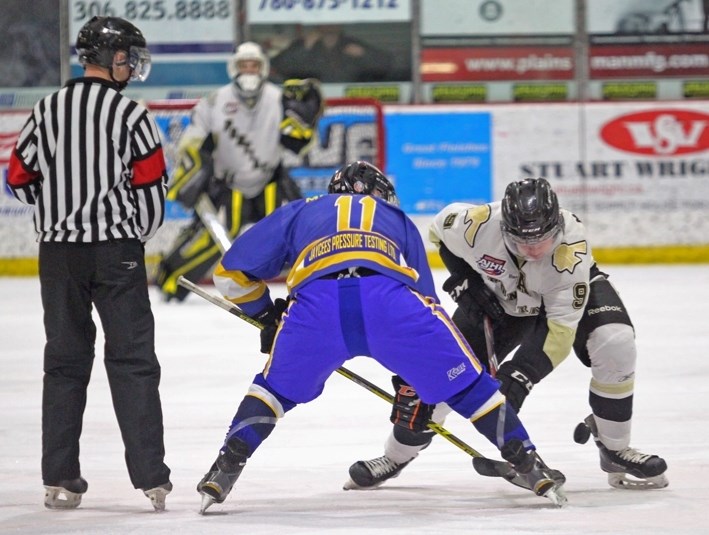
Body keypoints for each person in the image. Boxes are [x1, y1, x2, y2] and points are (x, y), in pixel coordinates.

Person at [195, 162, 567, 514]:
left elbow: (231, 276)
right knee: (470, 387)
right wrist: (420, 376)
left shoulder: (300, 210)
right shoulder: (396, 218)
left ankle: (225, 465)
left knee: (273, 391)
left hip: (317, 307)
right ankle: (528, 462)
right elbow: (426, 301)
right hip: (389, 303)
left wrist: (266, 316)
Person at [345, 178, 668, 491]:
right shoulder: (478, 223)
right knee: (438, 378)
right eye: (521, 241)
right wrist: (464, 280)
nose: (532, 249)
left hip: (557, 300)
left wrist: (521, 376)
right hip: (501, 300)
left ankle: (615, 448)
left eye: (542, 239)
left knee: (615, 341)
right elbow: (438, 230)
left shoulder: (571, 252)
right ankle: (395, 456)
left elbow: (559, 331)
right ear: (504, 228)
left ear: (557, 226)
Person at [7, 16, 172, 511]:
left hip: (58, 256)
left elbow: (18, 177)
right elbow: (151, 190)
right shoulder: (131, 114)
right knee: (133, 362)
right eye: (128, 56)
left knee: (63, 362)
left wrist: (59, 210)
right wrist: (133, 235)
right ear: (114, 58)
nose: (132, 66)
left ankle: (59, 478)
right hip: (115, 252)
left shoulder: (46, 108)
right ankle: (151, 479)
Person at [156, 41, 322, 302]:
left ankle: (315, 285)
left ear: (263, 68)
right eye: (243, 65)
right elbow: (193, 142)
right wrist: (191, 173)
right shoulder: (214, 102)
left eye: (254, 65)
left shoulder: (278, 99)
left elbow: (299, 144)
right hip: (228, 183)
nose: (249, 71)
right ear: (234, 68)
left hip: (270, 181)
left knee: (294, 232)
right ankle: (171, 280)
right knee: (209, 238)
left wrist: (308, 123)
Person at [270, 25, 394, 83]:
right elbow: (279, 66)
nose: (329, 25)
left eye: (333, 21)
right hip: (311, 102)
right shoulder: (304, 44)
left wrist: (364, 54)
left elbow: (386, 64)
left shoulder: (351, 44)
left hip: (349, 101)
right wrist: (305, 46)